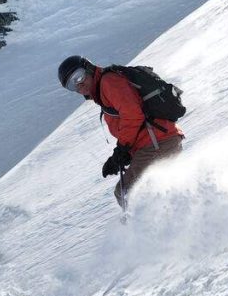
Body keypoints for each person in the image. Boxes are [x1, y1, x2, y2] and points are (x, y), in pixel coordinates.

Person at [57, 54, 184, 207]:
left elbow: (133, 115)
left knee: (128, 192)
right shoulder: (102, 89)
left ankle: (150, 227)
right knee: (150, 191)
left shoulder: (109, 82)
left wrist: (122, 149)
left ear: (88, 68)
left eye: (78, 77)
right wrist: (121, 156)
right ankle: (176, 221)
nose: (78, 85)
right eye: (71, 85)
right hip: (157, 142)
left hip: (157, 142)